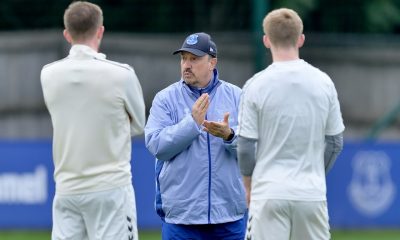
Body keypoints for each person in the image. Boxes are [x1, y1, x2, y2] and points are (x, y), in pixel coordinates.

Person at [40, 1, 145, 239]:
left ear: (67, 34)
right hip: (111, 190)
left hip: (67, 190)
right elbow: (139, 124)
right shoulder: (121, 74)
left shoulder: (48, 74)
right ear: (100, 31)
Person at [237, 8, 345, 240]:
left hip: (268, 192)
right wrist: (314, 173)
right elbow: (335, 142)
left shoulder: (255, 85)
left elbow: (245, 145)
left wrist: (249, 186)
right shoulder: (324, 82)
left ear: (266, 40)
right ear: (301, 39)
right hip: (310, 194)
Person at [145, 32, 247, 239]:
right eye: (183, 58)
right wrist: (191, 124)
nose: (186, 65)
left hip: (228, 216)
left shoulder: (238, 96)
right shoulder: (165, 99)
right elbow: (156, 145)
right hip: (182, 218)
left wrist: (230, 136)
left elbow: (253, 151)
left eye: (194, 58)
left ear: (212, 62)